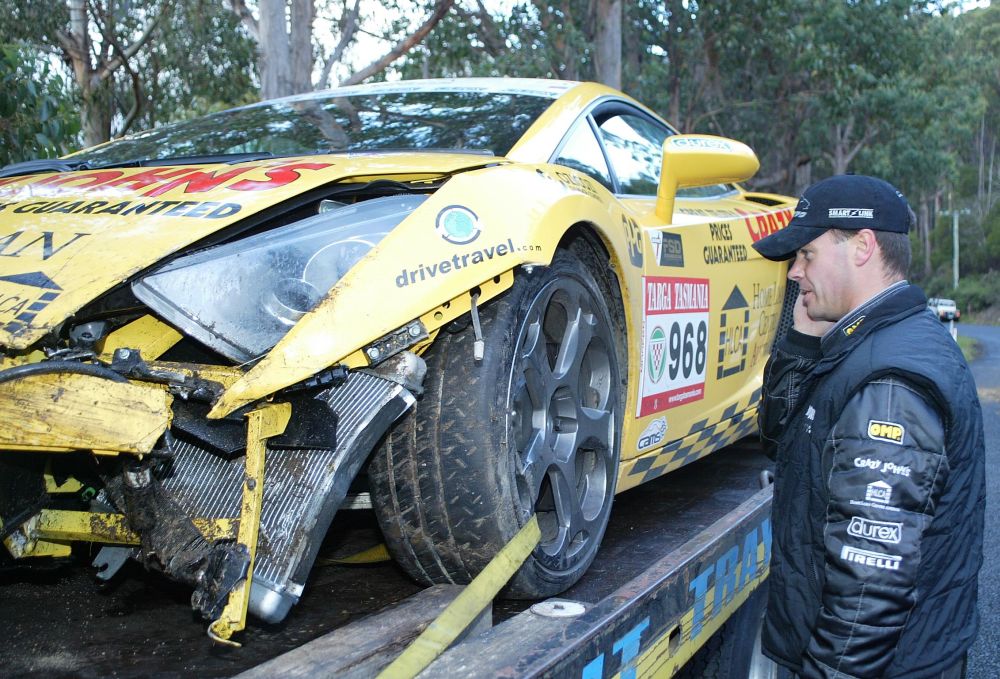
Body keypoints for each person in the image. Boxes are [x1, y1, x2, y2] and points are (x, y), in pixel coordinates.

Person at [751, 174, 985, 679]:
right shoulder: (863, 344)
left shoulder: (890, 381)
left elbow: (868, 594)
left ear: (862, 246)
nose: (794, 272)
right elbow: (778, 440)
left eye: (807, 255)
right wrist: (800, 340)